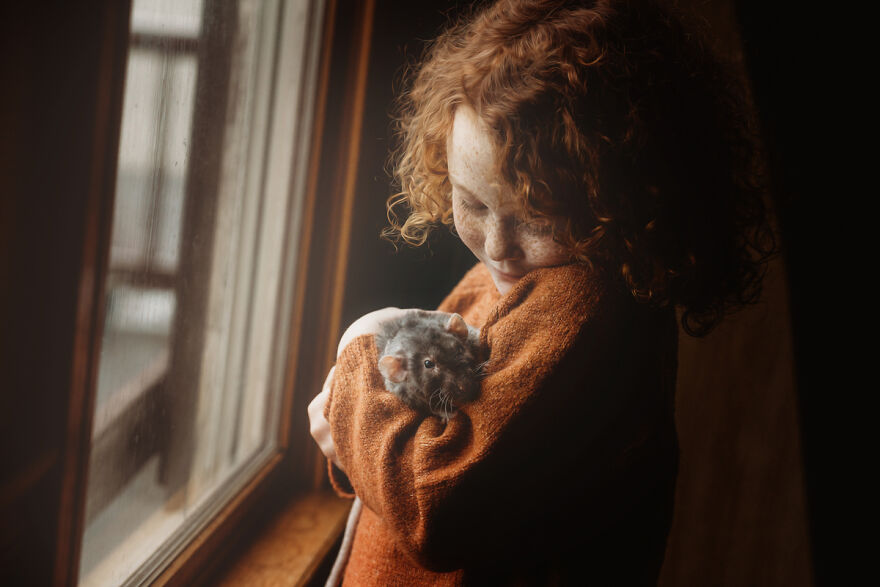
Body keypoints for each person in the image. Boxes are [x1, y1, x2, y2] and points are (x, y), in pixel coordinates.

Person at [308, 0, 774, 584]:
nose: (498, 244)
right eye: (472, 202)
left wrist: (357, 362)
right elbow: (416, 445)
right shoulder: (513, 277)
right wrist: (357, 433)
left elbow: (433, 509)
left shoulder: (582, 306)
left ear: (623, 200)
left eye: (539, 214)